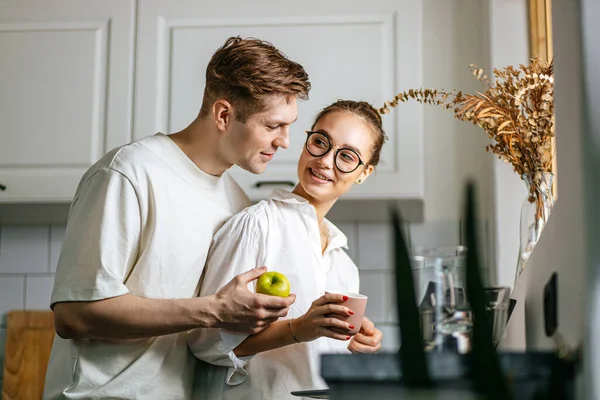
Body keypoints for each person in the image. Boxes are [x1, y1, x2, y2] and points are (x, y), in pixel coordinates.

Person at [43, 36, 310, 400]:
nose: (285, 142)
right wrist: (215, 310)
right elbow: (74, 316)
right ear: (223, 115)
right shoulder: (129, 172)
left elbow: (211, 337)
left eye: (289, 126)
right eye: (272, 126)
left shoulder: (237, 200)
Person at [188, 100, 385, 400]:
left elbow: (314, 362)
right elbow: (205, 341)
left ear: (364, 173)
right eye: (321, 142)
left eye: (347, 156)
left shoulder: (344, 265)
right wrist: (297, 328)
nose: (325, 161)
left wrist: (354, 344)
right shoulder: (257, 225)